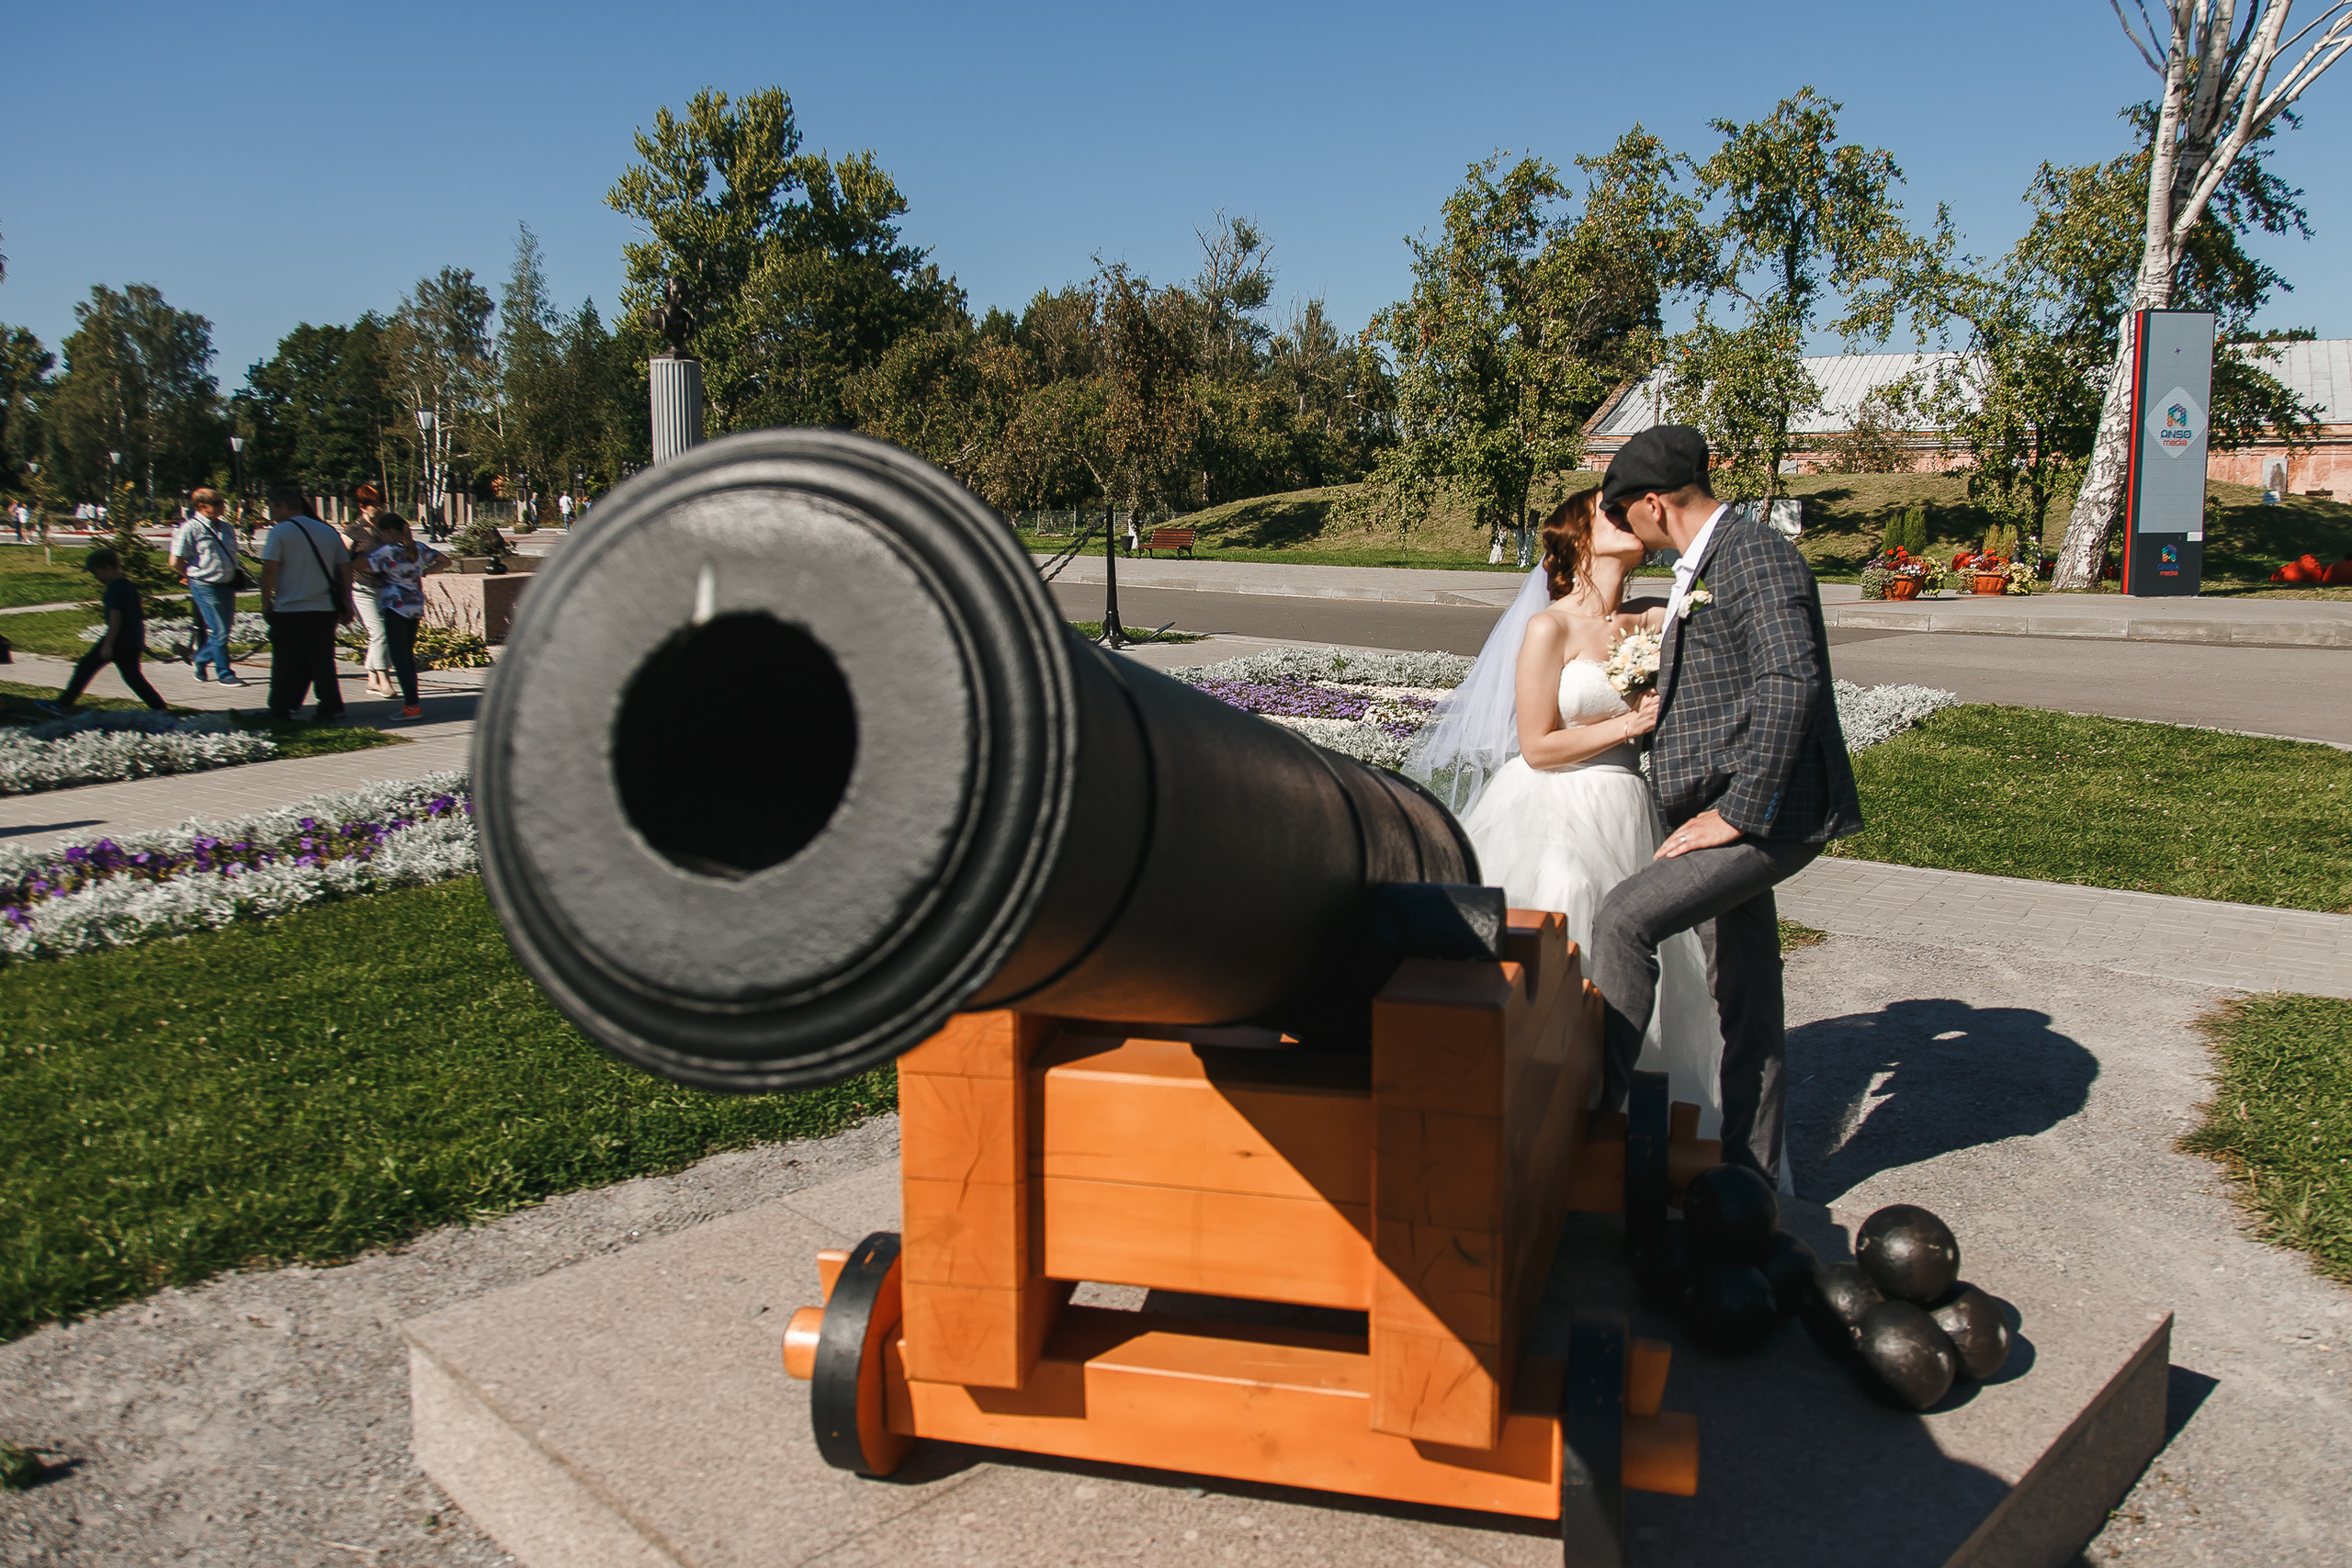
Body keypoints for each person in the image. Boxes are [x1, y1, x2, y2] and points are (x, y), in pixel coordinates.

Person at [1588, 425, 1862, 1188]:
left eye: (1621, 513)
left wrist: (1739, 811)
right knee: (1744, 997)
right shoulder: (1708, 561)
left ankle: (1583, 1128)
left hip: (1767, 813)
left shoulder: (1756, 555)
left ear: (1650, 505)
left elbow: (1790, 681)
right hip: (1722, 805)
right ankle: (1754, 1174)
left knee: (1625, 917)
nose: (1621, 528)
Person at [1407, 491, 1728, 1136]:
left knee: (1644, 950)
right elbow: (1537, 744)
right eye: (1613, 510)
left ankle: (1621, 1117)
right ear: (1581, 535)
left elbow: (1718, 610)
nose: (1632, 514)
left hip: (1623, 804)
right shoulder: (1548, 627)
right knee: (1565, 898)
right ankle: (1544, 1112)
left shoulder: (1651, 618)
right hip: (1549, 801)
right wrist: (1633, 721)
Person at [257, 483, 355, 724]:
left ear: (282, 506)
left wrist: (266, 601)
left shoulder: (279, 532)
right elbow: (345, 568)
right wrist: (347, 602)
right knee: (322, 661)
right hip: (324, 608)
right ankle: (329, 707)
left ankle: (280, 708)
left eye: (270, 507)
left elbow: (270, 570)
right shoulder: (327, 531)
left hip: (290, 608)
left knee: (285, 662)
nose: (270, 513)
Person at [39, 548, 167, 714]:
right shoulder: (127, 585)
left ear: (107, 567)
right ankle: (159, 708)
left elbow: (115, 620)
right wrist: (140, 640)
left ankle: (63, 704)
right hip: (131, 639)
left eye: (96, 573)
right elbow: (137, 616)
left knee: (86, 667)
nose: (96, 577)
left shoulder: (115, 589)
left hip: (119, 639)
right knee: (132, 677)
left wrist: (108, 645)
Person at [366, 513, 446, 720]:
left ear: (389, 531)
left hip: (395, 606)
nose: (380, 537)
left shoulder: (387, 551)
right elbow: (445, 560)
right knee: (407, 656)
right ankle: (413, 704)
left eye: (380, 533)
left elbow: (360, 565)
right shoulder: (418, 548)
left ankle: (411, 707)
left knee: (399, 658)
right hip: (414, 605)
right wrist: (426, 572)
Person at [169, 487, 246, 686]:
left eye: (222, 502)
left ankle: (200, 660)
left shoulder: (226, 527)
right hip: (205, 585)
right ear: (202, 506)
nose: (223, 506)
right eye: (218, 503)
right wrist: (187, 575)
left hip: (227, 585)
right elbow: (175, 560)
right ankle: (224, 673)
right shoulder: (190, 528)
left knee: (225, 631)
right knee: (219, 631)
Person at [345, 482, 395, 698]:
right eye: (375, 504)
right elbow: (343, 562)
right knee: (379, 633)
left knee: (381, 634)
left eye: (381, 503)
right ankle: (384, 679)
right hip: (362, 587)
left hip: (386, 587)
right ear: (363, 506)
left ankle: (371, 679)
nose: (380, 507)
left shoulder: (386, 528)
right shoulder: (352, 531)